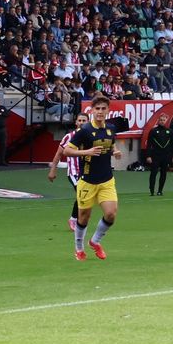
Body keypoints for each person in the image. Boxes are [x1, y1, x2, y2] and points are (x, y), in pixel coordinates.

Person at [62, 95, 128, 261]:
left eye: (103, 108)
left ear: (108, 110)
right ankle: (79, 248)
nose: (100, 112)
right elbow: (67, 151)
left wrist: (116, 151)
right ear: (92, 111)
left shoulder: (111, 128)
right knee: (83, 216)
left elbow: (110, 144)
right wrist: (86, 152)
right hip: (87, 181)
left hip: (106, 180)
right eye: (97, 109)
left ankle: (95, 241)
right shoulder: (84, 131)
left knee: (111, 214)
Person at [47, 115, 84, 231]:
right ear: (76, 123)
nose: (82, 122)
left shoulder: (91, 136)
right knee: (81, 193)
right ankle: (74, 219)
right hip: (74, 171)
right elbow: (59, 154)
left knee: (85, 196)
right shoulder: (69, 137)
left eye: (84, 120)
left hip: (87, 172)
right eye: (80, 120)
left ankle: (78, 219)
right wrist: (53, 170)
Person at [143, 111, 173, 197]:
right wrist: (148, 155)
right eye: (160, 120)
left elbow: (172, 144)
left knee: (163, 173)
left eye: (164, 120)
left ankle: (160, 190)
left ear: (166, 121)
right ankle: (152, 190)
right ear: (158, 120)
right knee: (153, 173)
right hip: (155, 155)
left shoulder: (170, 131)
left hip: (166, 156)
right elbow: (149, 144)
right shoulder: (153, 131)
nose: (162, 121)